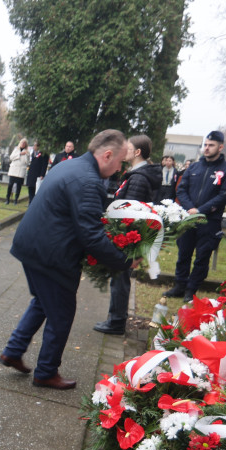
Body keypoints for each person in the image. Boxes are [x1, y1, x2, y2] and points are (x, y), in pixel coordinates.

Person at [0, 130, 130, 389]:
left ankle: (13, 351)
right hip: (51, 255)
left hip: (33, 246)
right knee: (61, 314)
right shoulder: (88, 181)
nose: (120, 168)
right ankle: (46, 372)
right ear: (107, 155)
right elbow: (92, 236)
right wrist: (124, 261)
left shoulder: (71, 166)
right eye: (120, 162)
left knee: (42, 302)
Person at [94, 135, 159, 335]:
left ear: (138, 152)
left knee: (120, 278)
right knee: (119, 278)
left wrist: (120, 235)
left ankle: (117, 322)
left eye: (128, 148)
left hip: (128, 237)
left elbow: (130, 212)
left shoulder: (139, 178)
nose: (125, 151)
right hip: (127, 236)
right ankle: (115, 318)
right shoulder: (135, 175)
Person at [163, 130, 226, 301]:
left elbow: (224, 195)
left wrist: (201, 210)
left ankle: (191, 289)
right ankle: (179, 285)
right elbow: (182, 189)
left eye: (211, 145)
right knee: (183, 254)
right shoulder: (195, 167)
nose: (207, 148)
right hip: (189, 218)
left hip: (209, 221)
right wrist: (190, 208)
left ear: (220, 147)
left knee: (202, 257)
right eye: (205, 144)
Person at [6, 138, 29, 205]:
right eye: (22, 143)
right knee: (10, 185)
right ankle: (7, 199)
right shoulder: (16, 150)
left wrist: (26, 155)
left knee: (19, 186)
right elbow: (11, 157)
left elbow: (27, 162)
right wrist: (20, 154)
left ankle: (16, 199)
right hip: (14, 170)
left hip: (21, 170)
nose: (23, 144)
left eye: (24, 143)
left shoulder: (27, 152)